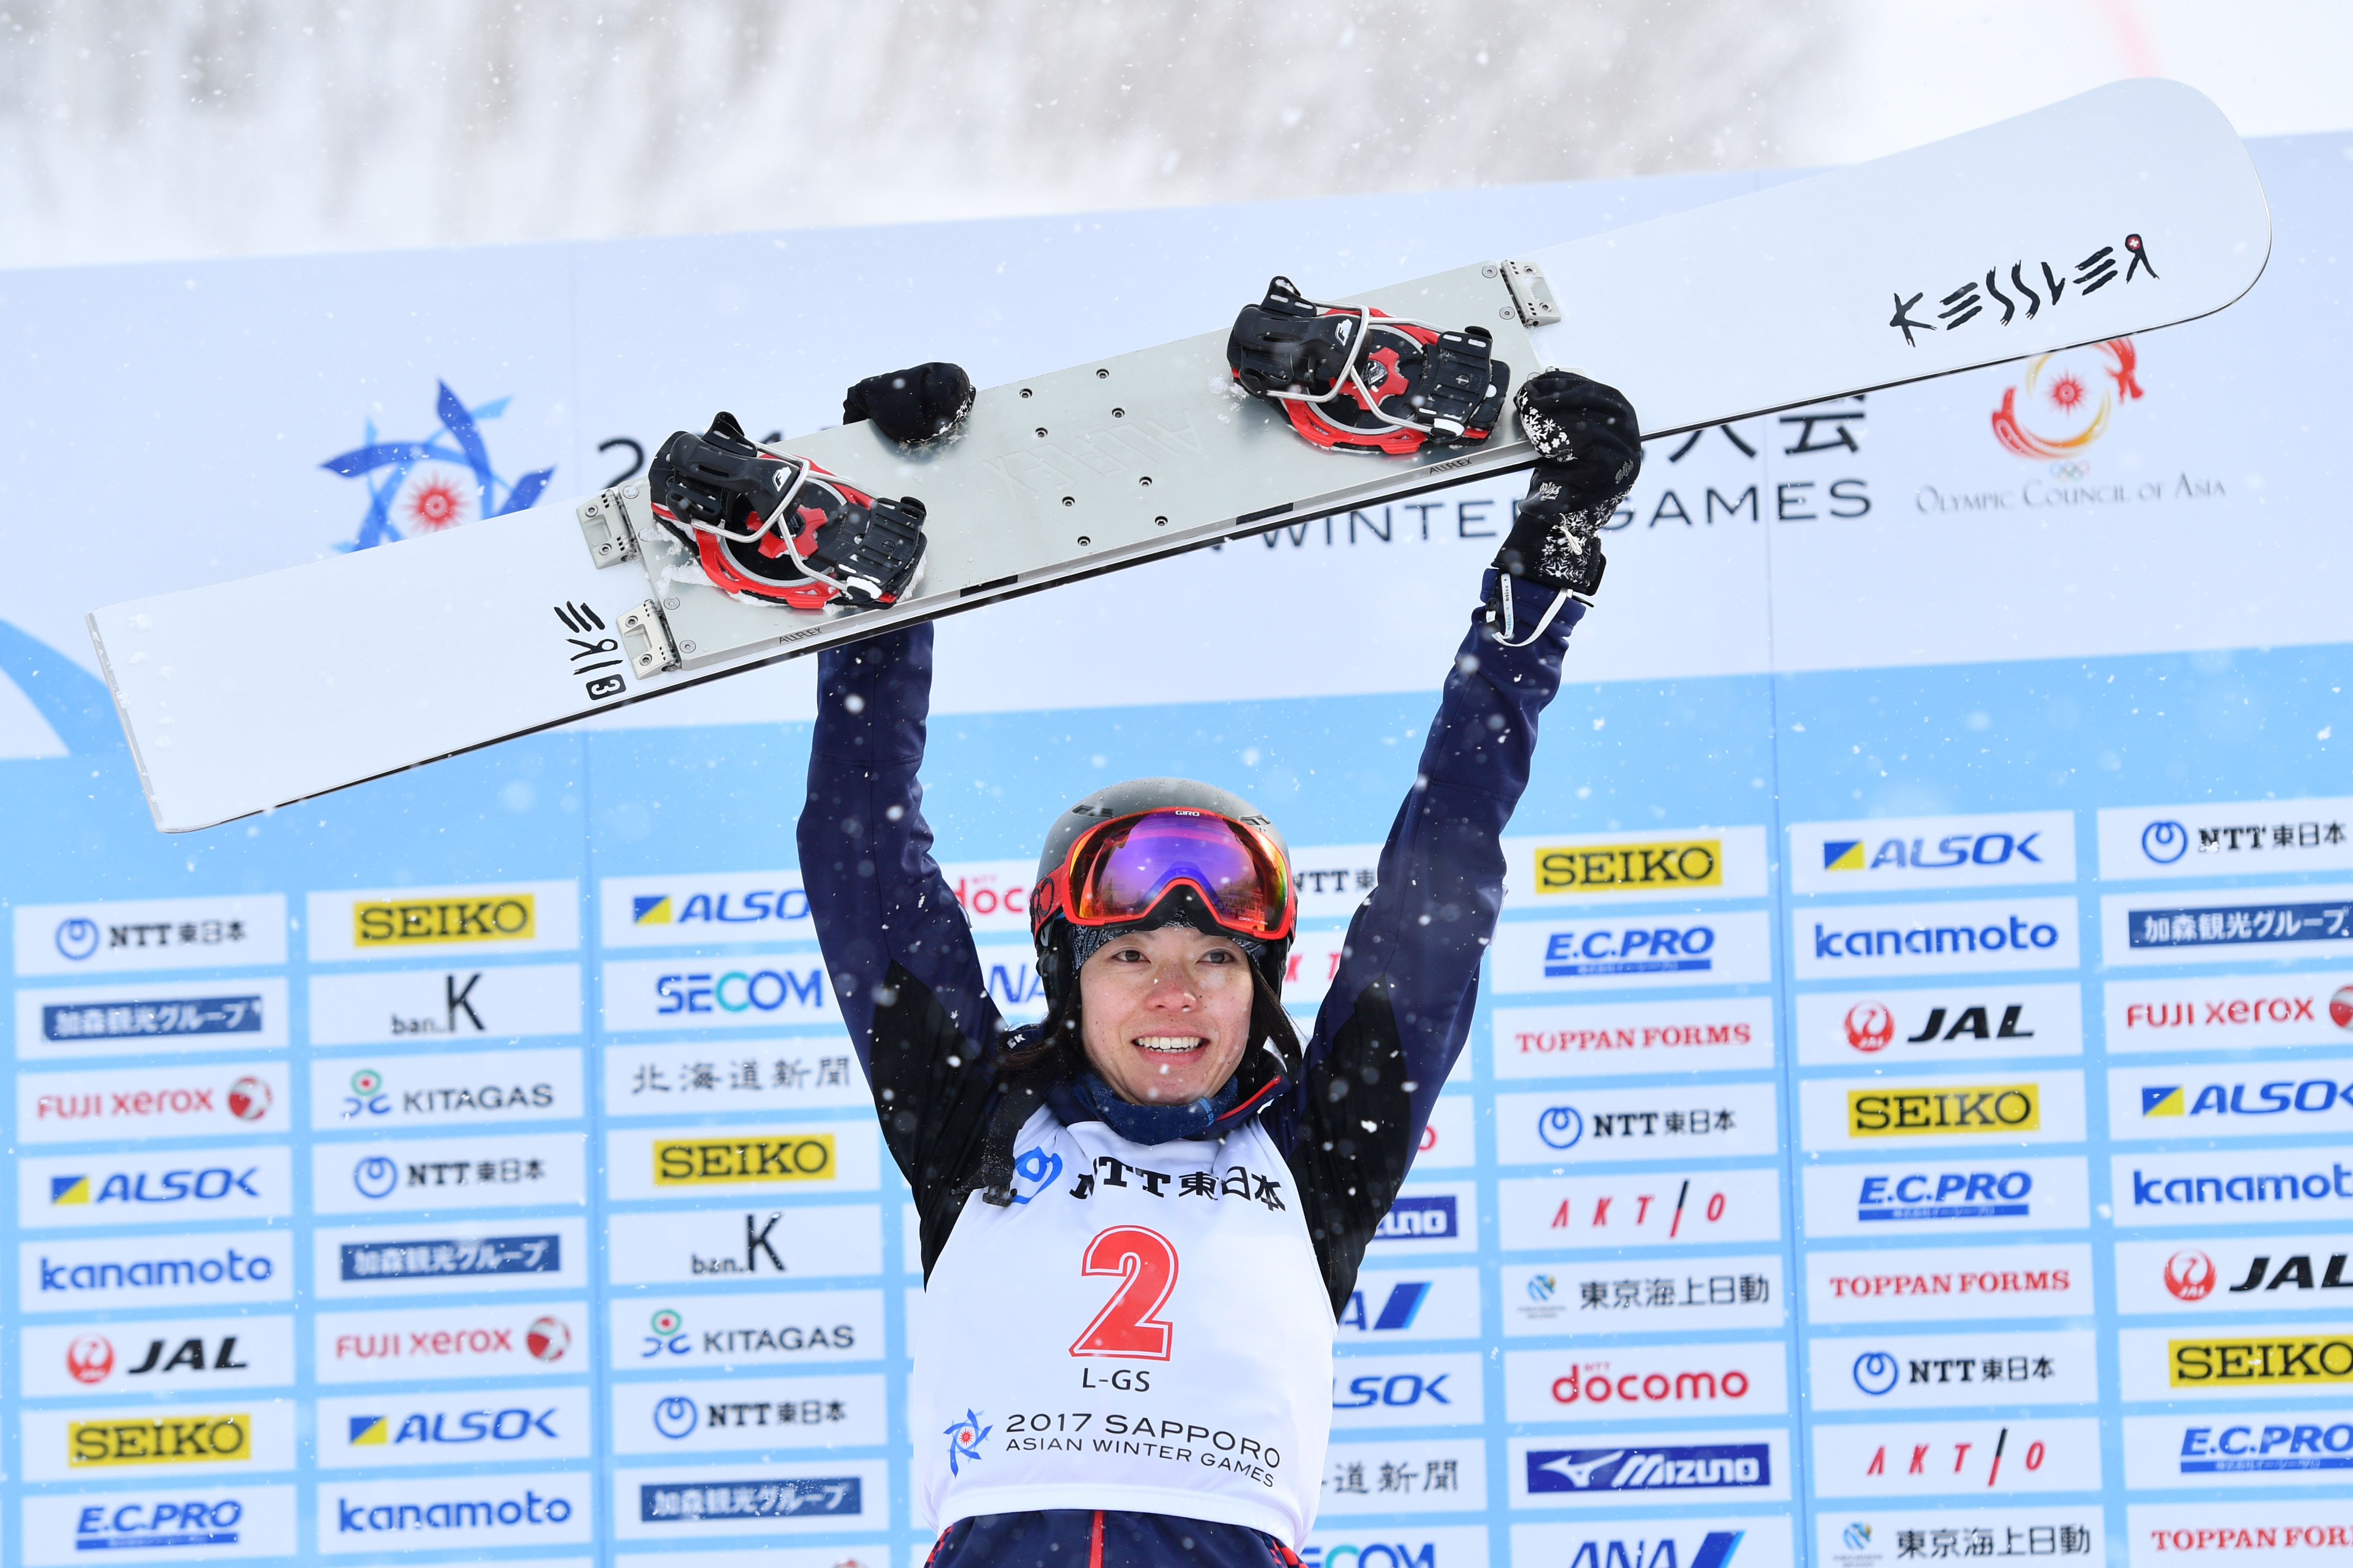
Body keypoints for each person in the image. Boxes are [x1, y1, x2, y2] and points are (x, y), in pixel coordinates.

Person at [798, 366, 1643, 1568]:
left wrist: (1548, 564)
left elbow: (1443, 867)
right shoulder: (973, 1125)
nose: (1175, 994)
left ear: (1264, 983)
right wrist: (888, 572)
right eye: (1131, 954)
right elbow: (861, 852)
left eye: (1216, 959)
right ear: (1067, 976)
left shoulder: (1319, 1154)